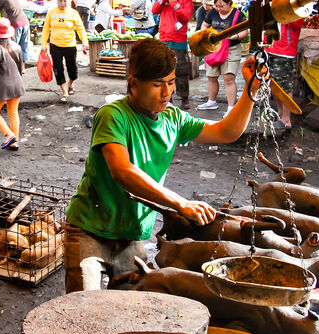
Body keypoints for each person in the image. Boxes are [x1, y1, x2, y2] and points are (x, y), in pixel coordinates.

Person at [63, 39, 264, 293]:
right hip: (89, 231)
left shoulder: (173, 118)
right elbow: (122, 171)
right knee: (81, 310)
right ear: (134, 83)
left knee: (132, 311)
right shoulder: (112, 116)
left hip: (131, 237)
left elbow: (226, 132)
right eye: (158, 85)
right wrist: (181, 203)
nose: (166, 92)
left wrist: (251, 91)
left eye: (170, 82)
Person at [197, 0, 247, 118]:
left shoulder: (238, 15)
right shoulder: (213, 12)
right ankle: (211, 101)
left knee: (228, 77)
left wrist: (234, 36)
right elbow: (205, 24)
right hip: (214, 49)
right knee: (211, 76)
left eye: (222, 6)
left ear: (229, 3)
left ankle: (231, 107)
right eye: (217, 6)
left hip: (231, 49)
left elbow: (245, 31)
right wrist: (205, 31)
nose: (219, 8)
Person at [0, 18, 24, 151]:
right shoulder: (17, 46)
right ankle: (14, 142)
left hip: (2, 88)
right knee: (13, 113)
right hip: (17, 85)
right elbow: (20, 69)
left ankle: (9, 135)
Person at [41, 0, 88, 103]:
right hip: (55, 45)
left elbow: (80, 28)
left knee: (72, 68)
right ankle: (64, 92)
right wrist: (44, 44)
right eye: (61, 1)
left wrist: (84, 41)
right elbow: (46, 29)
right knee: (58, 68)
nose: (63, 3)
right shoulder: (51, 12)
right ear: (57, 1)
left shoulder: (73, 13)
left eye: (65, 1)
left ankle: (71, 84)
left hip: (70, 45)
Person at [152, 0, 193, 110]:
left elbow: (186, 16)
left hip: (178, 40)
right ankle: (167, 97)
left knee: (181, 70)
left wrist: (173, 3)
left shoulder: (186, 1)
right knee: (165, 70)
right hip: (164, 38)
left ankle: (184, 97)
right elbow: (154, 10)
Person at [265, 19, 304, 134]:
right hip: (270, 47)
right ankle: (280, 113)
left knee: (285, 86)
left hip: (284, 51)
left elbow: (297, 22)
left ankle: (286, 119)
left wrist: (282, 15)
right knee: (274, 84)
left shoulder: (294, 6)